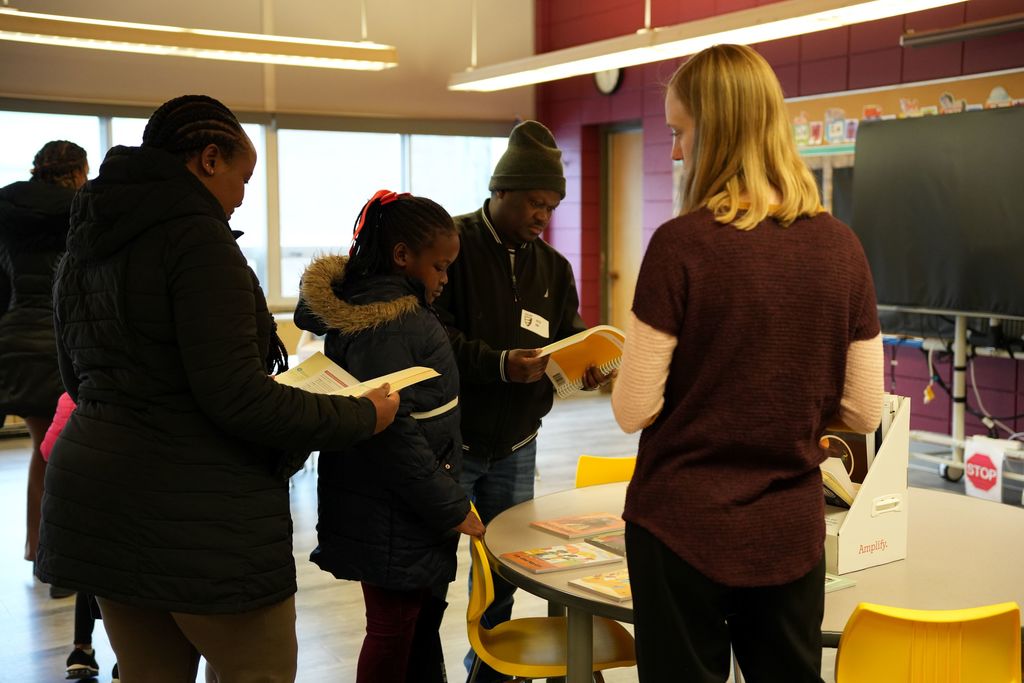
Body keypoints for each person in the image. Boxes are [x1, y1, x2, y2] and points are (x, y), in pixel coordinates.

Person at [35, 94, 400, 683]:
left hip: (96, 501)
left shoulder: (85, 244)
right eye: (244, 175)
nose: (243, 194)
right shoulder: (200, 242)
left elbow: (78, 382)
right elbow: (238, 397)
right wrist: (361, 416)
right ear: (208, 159)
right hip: (198, 515)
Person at [611, 44, 884, 682]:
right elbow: (865, 409)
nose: (675, 152)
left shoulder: (680, 246)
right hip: (788, 529)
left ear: (719, 130)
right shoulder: (842, 247)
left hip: (678, 526)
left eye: (680, 133)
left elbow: (632, 410)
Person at [433, 119, 612, 681]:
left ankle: (489, 674)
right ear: (500, 191)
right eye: (534, 202)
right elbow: (436, 340)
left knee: (503, 569)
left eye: (551, 207)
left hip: (517, 444)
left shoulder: (553, 269)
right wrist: (499, 364)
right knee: (431, 570)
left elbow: (570, 332)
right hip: (453, 442)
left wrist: (588, 365)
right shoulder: (453, 249)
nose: (542, 216)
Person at [295, 190, 484, 682]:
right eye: (440, 268)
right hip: (396, 508)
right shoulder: (390, 325)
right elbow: (391, 436)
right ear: (402, 256)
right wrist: (451, 505)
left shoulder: (390, 309)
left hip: (394, 505)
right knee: (392, 628)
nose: (444, 280)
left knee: (408, 624)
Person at [0, 140, 88, 593]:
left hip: (13, 338)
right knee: (65, 453)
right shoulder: (81, 210)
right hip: (61, 343)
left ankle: (37, 549)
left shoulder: (6, 210)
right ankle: (62, 559)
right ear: (76, 172)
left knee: (42, 447)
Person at [39, 391, 120, 682]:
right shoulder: (127, 401)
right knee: (122, 593)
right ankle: (124, 660)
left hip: (78, 515)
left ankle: (80, 651)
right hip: (121, 513)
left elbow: (47, 450)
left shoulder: (69, 399)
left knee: (87, 585)